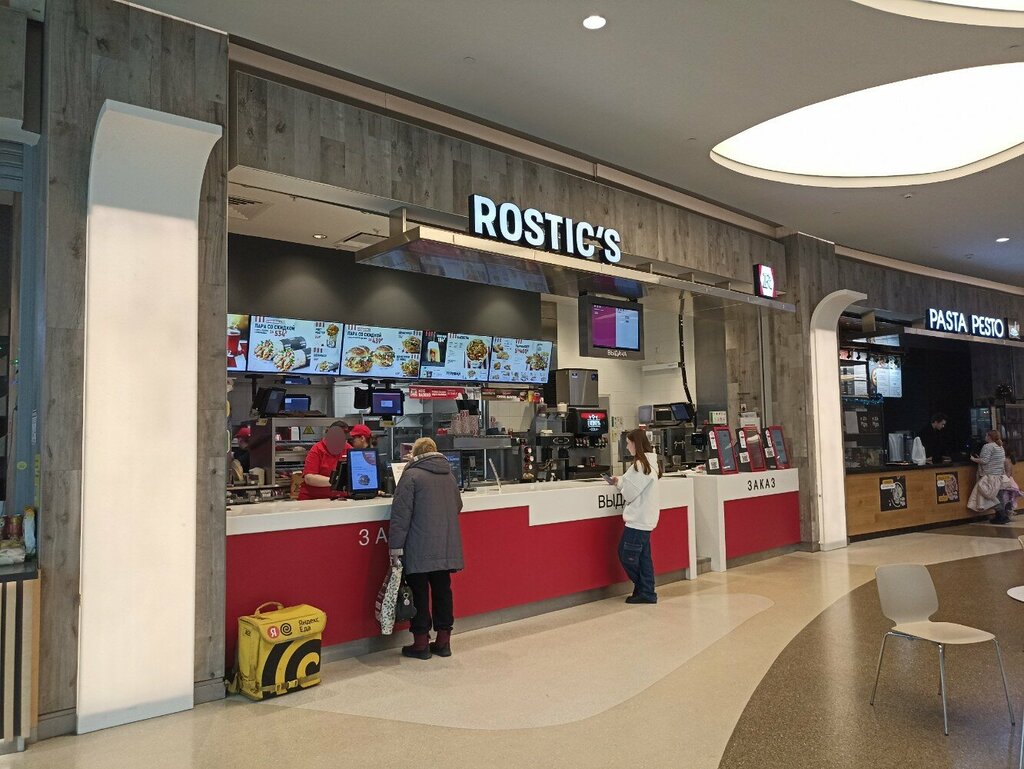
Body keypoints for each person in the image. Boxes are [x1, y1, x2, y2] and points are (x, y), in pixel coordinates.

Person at [388, 437, 464, 660]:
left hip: (418, 546)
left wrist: (395, 549)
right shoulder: (449, 476)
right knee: (443, 591)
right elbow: (458, 506)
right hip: (445, 544)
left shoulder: (411, 476)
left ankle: (421, 644)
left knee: (419, 592)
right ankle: (443, 642)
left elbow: (400, 517)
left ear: (415, 454)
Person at [607, 428, 662, 605]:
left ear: (635, 444)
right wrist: (620, 481)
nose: (627, 447)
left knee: (626, 554)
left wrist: (620, 486)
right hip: (645, 519)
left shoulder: (640, 466)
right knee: (643, 558)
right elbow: (630, 482)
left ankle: (644, 589)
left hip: (638, 520)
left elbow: (630, 493)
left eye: (628, 443)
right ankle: (647, 591)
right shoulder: (649, 464)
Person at [968, 430, 1013, 524]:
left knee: (992, 497)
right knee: (999, 496)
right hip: (999, 476)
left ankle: (1001, 516)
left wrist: (973, 459)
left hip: (989, 476)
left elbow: (984, 461)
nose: (985, 437)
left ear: (989, 437)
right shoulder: (1000, 447)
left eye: (986, 435)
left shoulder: (987, 446)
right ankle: (1001, 515)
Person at [297, 421, 350, 500]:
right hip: (314, 499)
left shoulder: (348, 449)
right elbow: (309, 478)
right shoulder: (317, 449)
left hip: (340, 499)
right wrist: (335, 481)